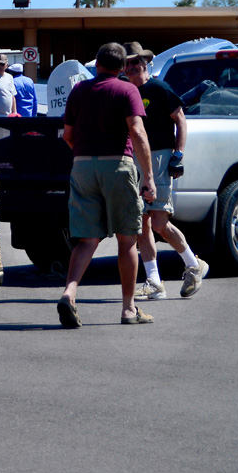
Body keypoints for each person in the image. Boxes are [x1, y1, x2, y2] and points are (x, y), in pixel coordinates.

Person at [57, 41, 157, 328]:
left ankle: (69, 293)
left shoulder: (79, 90)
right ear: (123, 67)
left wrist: (84, 155)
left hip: (82, 165)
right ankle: (128, 309)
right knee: (127, 240)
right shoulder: (128, 90)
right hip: (117, 164)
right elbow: (137, 132)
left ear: (97, 64)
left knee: (87, 240)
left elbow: (67, 134)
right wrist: (148, 177)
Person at [122, 41, 208, 299]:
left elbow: (180, 119)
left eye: (135, 62)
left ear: (145, 64)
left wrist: (178, 155)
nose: (131, 67)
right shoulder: (127, 93)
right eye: (127, 64)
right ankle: (154, 282)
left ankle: (194, 265)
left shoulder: (159, 88)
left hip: (159, 158)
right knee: (141, 224)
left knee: (159, 222)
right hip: (135, 159)